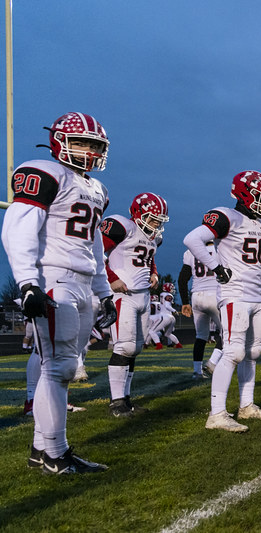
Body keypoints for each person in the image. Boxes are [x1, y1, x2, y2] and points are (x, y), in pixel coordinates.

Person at [1, 112, 117, 473]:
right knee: (59, 367)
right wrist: (27, 282)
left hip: (82, 282)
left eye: (94, 145)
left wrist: (104, 292)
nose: (89, 151)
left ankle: (42, 450)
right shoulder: (44, 172)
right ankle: (55, 453)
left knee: (64, 365)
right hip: (54, 278)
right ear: (59, 141)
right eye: (81, 142)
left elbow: (94, 244)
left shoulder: (98, 190)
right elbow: (18, 228)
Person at [183, 170, 261, 432]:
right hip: (235, 293)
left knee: (253, 352)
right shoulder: (227, 216)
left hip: (257, 293)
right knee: (234, 351)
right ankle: (216, 414)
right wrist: (216, 266)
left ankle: (247, 406)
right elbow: (192, 239)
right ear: (245, 194)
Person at [100, 192, 168, 417]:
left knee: (135, 348)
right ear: (139, 214)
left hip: (142, 295)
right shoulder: (122, 226)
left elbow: (148, 258)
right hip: (123, 295)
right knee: (124, 347)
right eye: (152, 219)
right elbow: (95, 252)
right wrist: (111, 278)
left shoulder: (153, 237)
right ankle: (116, 402)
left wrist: (154, 273)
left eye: (159, 220)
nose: (156, 224)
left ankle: (126, 399)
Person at [179, 245, 225, 378]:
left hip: (196, 296)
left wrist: (185, 302)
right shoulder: (221, 248)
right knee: (228, 333)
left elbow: (182, 279)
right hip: (215, 294)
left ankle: (197, 371)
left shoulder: (191, 251)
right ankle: (212, 362)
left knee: (201, 336)